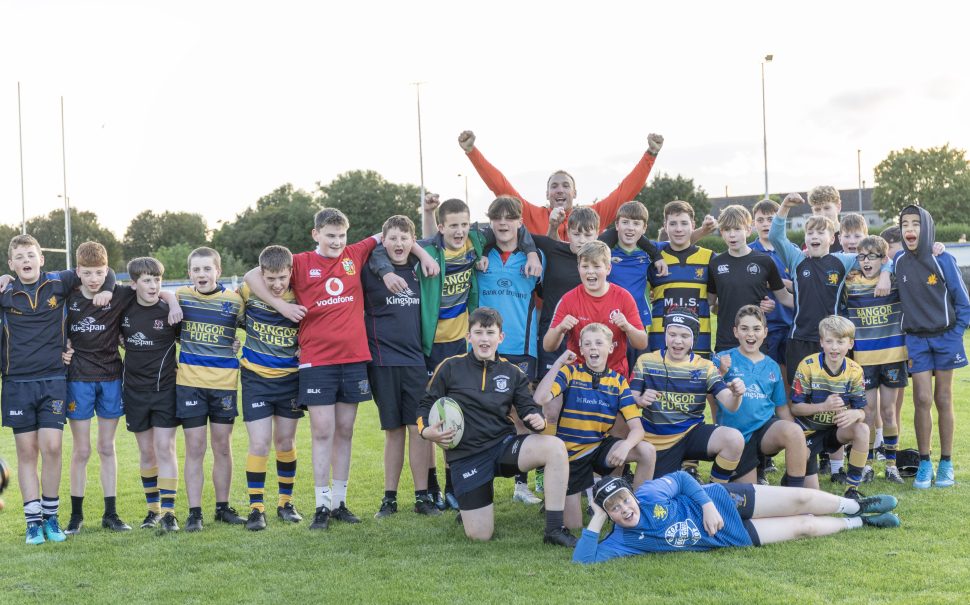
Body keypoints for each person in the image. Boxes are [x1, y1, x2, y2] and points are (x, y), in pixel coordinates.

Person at [245, 208, 436, 529]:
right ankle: (320, 505)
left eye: (340, 235)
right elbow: (254, 275)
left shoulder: (354, 253)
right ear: (316, 234)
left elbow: (390, 233)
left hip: (354, 359)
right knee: (322, 431)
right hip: (317, 361)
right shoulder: (301, 262)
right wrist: (281, 305)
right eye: (329, 235)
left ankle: (339, 502)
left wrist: (419, 250)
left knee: (345, 431)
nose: (336, 241)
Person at [372, 196, 537, 509]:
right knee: (432, 413)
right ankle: (431, 487)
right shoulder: (430, 250)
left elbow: (516, 229)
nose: (459, 231)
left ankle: (450, 487)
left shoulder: (476, 241)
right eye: (453, 226)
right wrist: (420, 251)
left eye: (464, 224)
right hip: (429, 344)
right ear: (441, 227)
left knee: (457, 416)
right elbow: (380, 250)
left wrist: (530, 251)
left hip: (460, 344)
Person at [417, 307, 576, 547]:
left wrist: (538, 420)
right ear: (468, 337)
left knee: (554, 447)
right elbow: (424, 405)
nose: (484, 339)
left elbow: (528, 408)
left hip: (502, 447)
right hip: (467, 456)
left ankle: (554, 529)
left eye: (490, 332)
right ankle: (474, 500)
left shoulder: (512, 373)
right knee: (480, 535)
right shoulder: (450, 367)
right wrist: (425, 431)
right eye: (478, 332)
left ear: (500, 337)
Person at [0, 234, 115, 545]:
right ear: (11, 264)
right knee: (27, 452)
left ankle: (51, 516)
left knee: (51, 447)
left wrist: (105, 288)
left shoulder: (60, 282)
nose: (26, 261)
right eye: (19, 257)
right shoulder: (5, 291)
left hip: (53, 379)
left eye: (30, 255)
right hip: (16, 384)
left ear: (42, 259)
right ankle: (33, 521)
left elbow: (105, 269)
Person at [63, 242, 181, 534]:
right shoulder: (68, 296)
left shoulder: (118, 294)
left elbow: (153, 287)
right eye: (87, 273)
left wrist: (174, 301)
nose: (94, 279)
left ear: (107, 272)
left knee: (106, 447)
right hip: (78, 380)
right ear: (78, 272)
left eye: (100, 273)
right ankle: (76, 516)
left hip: (113, 379)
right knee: (81, 450)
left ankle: (111, 514)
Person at [572, 474, 900, 563]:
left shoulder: (649, 495)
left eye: (624, 500)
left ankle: (855, 506)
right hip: (730, 537)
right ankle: (862, 523)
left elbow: (684, 481)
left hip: (722, 501)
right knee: (805, 526)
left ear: (632, 494)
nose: (625, 509)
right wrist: (598, 518)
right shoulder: (622, 540)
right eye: (614, 508)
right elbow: (584, 561)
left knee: (800, 498)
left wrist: (707, 506)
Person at [534, 323, 656, 529]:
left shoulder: (618, 382)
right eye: (587, 344)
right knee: (573, 526)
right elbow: (539, 397)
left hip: (599, 448)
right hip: (570, 456)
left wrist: (625, 446)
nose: (593, 348)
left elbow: (637, 429)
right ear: (581, 349)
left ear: (611, 347)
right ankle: (567, 495)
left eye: (599, 343)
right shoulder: (570, 373)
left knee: (647, 450)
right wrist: (559, 362)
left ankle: (640, 512)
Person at [769, 193, 891, 387]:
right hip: (799, 339)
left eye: (820, 233)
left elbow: (879, 257)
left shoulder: (843, 261)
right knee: (799, 395)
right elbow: (775, 236)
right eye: (810, 233)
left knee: (833, 394)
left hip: (831, 341)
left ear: (832, 238)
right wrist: (784, 206)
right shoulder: (797, 259)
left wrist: (885, 275)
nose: (814, 236)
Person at [363, 216, 440, 518]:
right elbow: (369, 246)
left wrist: (421, 253)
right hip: (382, 361)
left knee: (418, 428)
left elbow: (435, 246)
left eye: (404, 238)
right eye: (392, 238)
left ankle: (422, 496)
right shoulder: (372, 270)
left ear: (413, 241)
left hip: (415, 361)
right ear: (383, 241)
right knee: (393, 431)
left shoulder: (420, 270)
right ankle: (389, 498)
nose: (398, 244)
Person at [457, 129, 664, 240]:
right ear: (547, 193)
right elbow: (500, 186)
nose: (560, 190)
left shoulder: (592, 215)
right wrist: (472, 151)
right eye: (554, 186)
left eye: (566, 185)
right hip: (544, 308)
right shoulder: (531, 214)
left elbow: (625, 191)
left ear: (575, 192)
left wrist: (651, 155)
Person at [895, 205, 970, 488]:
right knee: (922, 399)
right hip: (916, 339)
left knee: (943, 399)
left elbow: (963, 301)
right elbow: (879, 260)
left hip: (946, 337)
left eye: (916, 224)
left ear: (926, 227)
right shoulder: (899, 261)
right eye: (905, 224)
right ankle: (925, 462)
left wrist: (957, 332)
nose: (910, 229)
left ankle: (946, 463)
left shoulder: (943, 258)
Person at [476, 196, 544, 505]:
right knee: (480, 415)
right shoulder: (480, 254)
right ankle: (476, 482)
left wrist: (532, 252)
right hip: (481, 349)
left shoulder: (535, 257)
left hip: (521, 348)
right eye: (497, 217)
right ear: (490, 222)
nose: (503, 223)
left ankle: (521, 484)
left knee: (521, 417)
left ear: (519, 222)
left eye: (510, 217)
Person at [630, 308, 747, 483]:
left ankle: (715, 491)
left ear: (694, 339)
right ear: (665, 334)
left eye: (685, 336)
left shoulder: (705, 367)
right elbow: (630, 401)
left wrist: (737, 394)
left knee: (734, 439)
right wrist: (640, 400)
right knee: (654, 498)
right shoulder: (646, 361)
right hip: (658, 441)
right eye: (672, 334)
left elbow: (730, 405)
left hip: (692, 433)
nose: (677, 341)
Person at [175, 246, 246, 531]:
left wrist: (238, 346)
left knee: (222, 448)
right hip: (190, 384)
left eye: (207, 269)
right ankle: (194, 512)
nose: (202, 274)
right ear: (189, 273)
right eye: (196, 269)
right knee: (194, 448)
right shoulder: (180, 296)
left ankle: (222, 507)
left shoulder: (235, 301)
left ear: (218, 271)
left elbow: (253, 329)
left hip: (224, 384)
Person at [238, 245, 304, 530]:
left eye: (282, 278)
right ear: (262, 274)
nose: (277, 285)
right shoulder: (248, 291)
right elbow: (232, 315)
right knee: (260, 442)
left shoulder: (302, 293)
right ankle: (256, 508)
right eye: (270, 279)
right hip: (255, 378)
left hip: (289, 379)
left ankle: (285, 503)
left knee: (286, 443)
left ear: (291, 272)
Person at [119, 257, 183, 532]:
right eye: (146, 280)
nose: (153, 285)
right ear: (133, 284)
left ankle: (169, 513)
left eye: (157, 279)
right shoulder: (123, 308)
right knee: (146, 452)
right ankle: (153, 511)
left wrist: (174, 301)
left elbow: (191, 341)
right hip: (134, 391)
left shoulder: (169, 310)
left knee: (165, 449)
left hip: (166, 390)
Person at [712, 306, 807, 486]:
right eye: (744, 328)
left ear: (765, 332)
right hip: (736, 438)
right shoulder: (722, 359)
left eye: (756, 329)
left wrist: (800, 440)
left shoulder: (772, 366)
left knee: (794, 433)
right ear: (735, 332)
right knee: (751, 495)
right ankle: (753, 472)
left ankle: (795, 491)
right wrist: (721, 372)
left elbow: (781, 408)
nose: (751, 334)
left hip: (764, 432)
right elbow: (709, 392)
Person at [844, 236, 907, 483]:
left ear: (883, 259)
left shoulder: (894, 281)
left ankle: (891, 464)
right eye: (862, 256)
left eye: (872, 256)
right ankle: (868, 463)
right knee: (868, 413)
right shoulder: (850, 282)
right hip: (864, 360)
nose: (866, 261)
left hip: (893, 356)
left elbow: (904, 262)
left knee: (889, 412)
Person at [788, 316, 869, 496]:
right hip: (807, 433)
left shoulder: (855, 370)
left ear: (850, 344)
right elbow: (795, 408)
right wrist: (823, 406)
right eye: (829, 341)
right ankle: (792, 477)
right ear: (821, 343)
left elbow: (862, 411)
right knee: (810, 494)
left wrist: (856, 414)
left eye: (840, 342)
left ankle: (852, 490)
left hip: (835, 431)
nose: (834, 347)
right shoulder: (808, 366)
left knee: (862, 429)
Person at [544, 241, 647, 378]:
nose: (590, 271)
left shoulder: (624, 297)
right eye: (585, 266)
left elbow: (642, 343)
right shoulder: (568, 299)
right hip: (578, 377)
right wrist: (560, 329)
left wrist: (627, 327)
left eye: (597, 266)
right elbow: (548, 346)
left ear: (608, 269)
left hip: (615, 376)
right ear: (578, 268)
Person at [707, 205, 792, 353]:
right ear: (721, 232)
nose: (732, 235)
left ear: (748, 230)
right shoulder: (716, 263)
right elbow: (710, 303)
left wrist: (816, 304)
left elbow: (785, 298)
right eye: (727, 230)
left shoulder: (764, 262)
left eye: (737, 229)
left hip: (757, 342)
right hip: (726, 342)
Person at [647, 201, 715, 358]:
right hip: (660, 345)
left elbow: (715, 299)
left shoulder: (709, 258)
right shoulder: (653, 260)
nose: (678, 229)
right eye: (673, 223)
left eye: (684, 223)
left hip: (699, 346)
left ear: (693, 224)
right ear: (665, 226)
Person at [749, 199, 794, 381]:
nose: (766, 224)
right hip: (764, 328)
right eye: (760, 220)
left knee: (791, 377)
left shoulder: (792, 251)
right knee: (767, 377)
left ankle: (791, 410)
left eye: (770, 219)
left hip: (791, 325)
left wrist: (779, 282)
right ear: (753, 224)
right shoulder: (749, 252)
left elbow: (803, 286)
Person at [808, 185, 843, 253]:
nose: (822, 214)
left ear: (838, 207)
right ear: (812, 211)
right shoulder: (810, 243)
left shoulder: (852, 240)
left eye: (827, 208)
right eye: (817, 209)